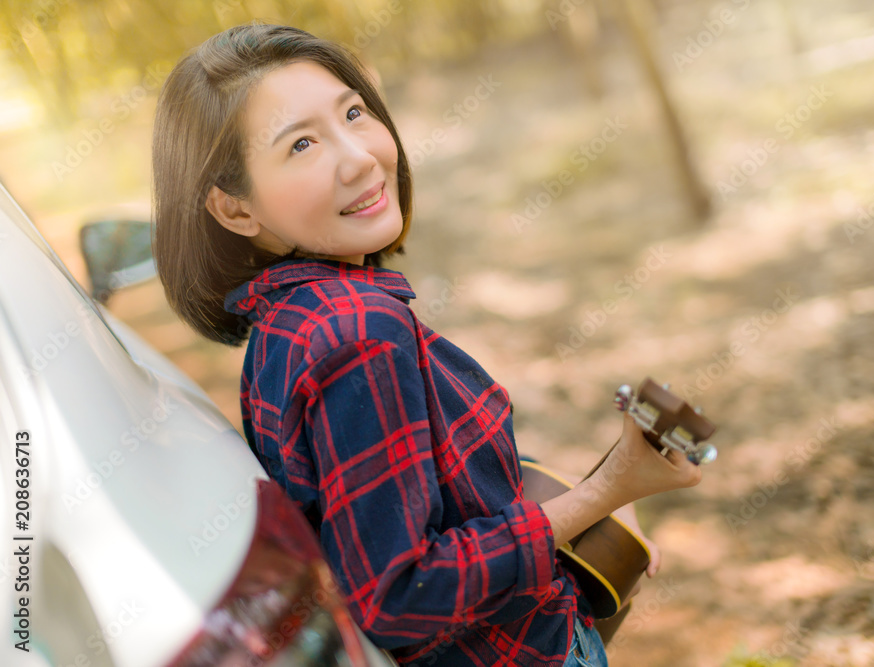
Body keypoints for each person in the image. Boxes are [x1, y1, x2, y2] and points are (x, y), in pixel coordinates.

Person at [151, 21, 702, 667]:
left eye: (352, 112)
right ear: (235, 209)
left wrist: (585, 520)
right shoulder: (357, 333)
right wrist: (606, 491)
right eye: (301, 144)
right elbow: (399, 594)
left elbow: (418, 492)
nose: (357, 155)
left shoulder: (284, 321)